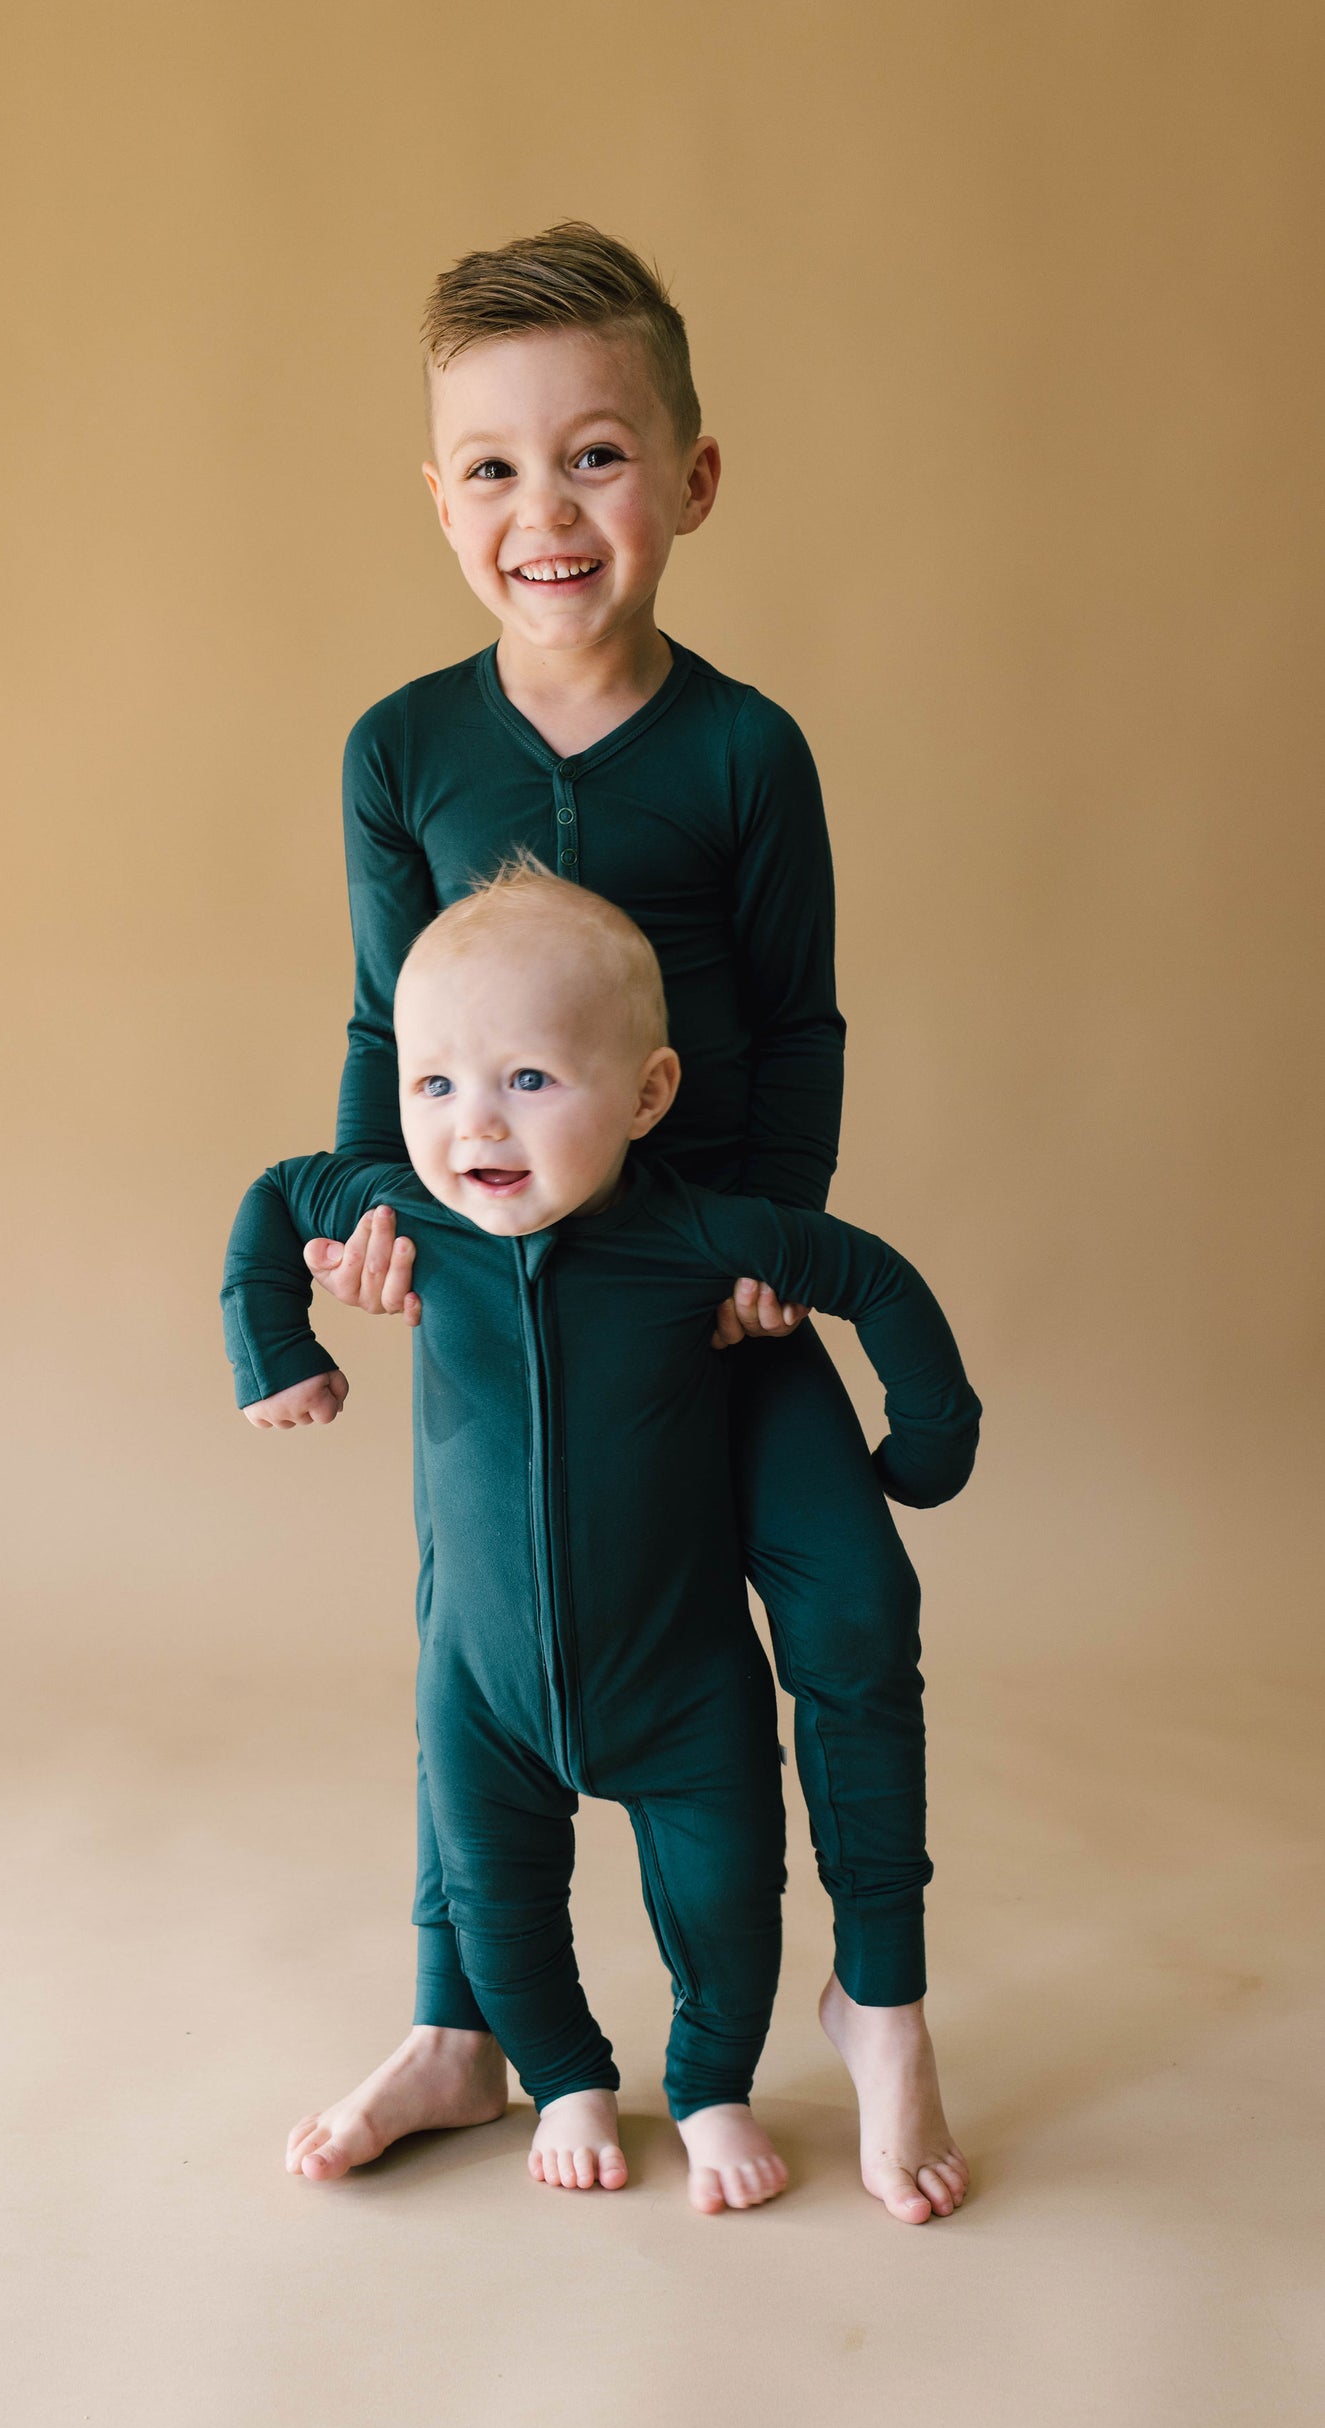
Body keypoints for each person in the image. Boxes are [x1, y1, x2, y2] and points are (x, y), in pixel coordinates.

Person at [293, 219, 973, 2223]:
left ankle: (881, 1993)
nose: (544, 511)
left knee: (853, 1605)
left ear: (688, 480)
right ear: (441, 499)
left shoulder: (748, 753)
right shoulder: (402, 752)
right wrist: (360, 1209)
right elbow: (376, 1023)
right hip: (515, 1314)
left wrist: (780, 1242)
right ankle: (459, 2015)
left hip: (718, 1301)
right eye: (491, 468)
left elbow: (800, 1016)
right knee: (472, 1634)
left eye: (594, 455)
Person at [225, 865, 980, 2212]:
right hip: (483, 1686)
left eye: (528, 1080)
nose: (475, 1125)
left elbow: (871, 1275)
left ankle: (708, 2086)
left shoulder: (696, 1238)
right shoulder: (417, 1221)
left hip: (680, 1678)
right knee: (494, 1895)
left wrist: (932, 1435)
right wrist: (274, 1342)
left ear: (645, 1096)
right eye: (437, 1085)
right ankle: (557, 2072)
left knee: (725, 1897)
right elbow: (280, 1193)